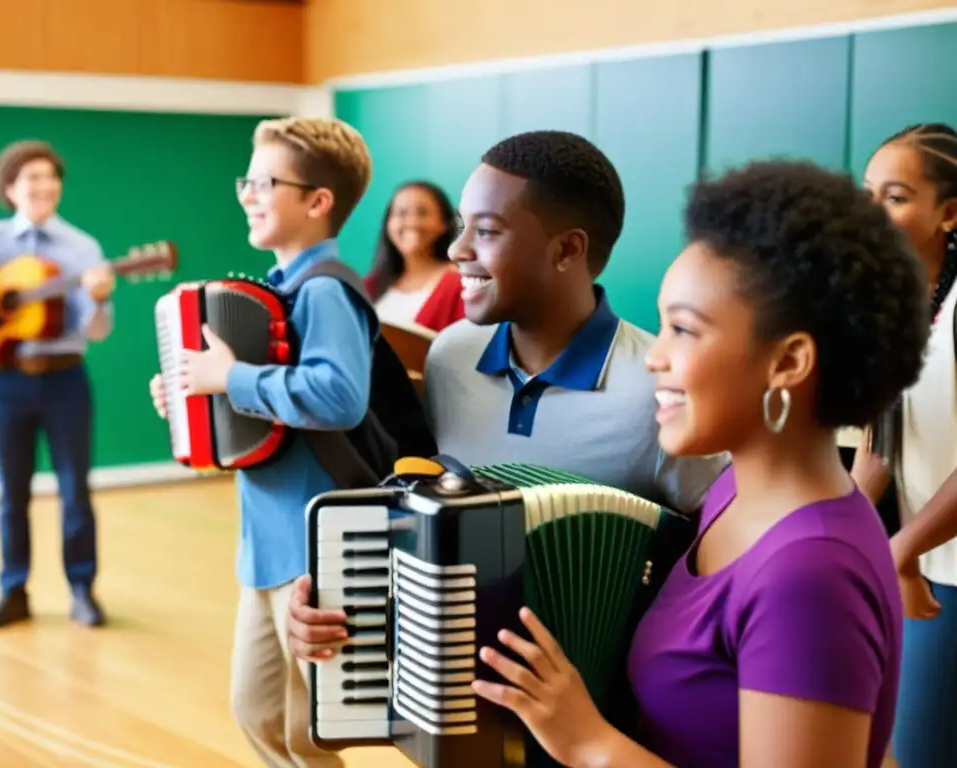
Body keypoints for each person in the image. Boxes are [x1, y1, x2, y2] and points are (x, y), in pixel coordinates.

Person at [468, 160, 926, 768]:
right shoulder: (735, 488)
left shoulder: (811, 571)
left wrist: (589, 745)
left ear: (788, 362)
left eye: (683, 329)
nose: (655, 357)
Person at [285, 131, 725, 663]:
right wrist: (338, 597)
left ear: (567, 249)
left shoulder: (660, 389)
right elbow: (424, 507)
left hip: (607, 703)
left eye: (487, 231)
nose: (456, 250)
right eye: (462, 226)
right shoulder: (450, 356)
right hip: (457, 685)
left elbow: (725, 549)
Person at [149, 116, 374, 768]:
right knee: (258, 713)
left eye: (264, 181)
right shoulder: (271, 290)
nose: (247, 192)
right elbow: (258, 420)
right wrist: (196, 394)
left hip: (313, 540)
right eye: (246, 179)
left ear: (317, 201)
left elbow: (338, 396)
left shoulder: (326, 289)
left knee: (309, 728)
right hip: (264, 541)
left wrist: (232, 377)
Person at [0, 139, 115, 630]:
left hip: (65, 381)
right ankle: (13, 590)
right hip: (2, 382)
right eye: (31, 178)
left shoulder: (83, 249)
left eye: (50, 177)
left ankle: (83, 589)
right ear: (10, 189)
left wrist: (98, 300)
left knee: (76, 489)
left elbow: (96, 331)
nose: (43, 186)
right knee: (10, 493)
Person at [851, 122, 957, 768]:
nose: (874, 213)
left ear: (950, 212)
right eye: (868, 195)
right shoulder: (893, 304)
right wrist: (835, 524)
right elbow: (880, 442)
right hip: (924, 563)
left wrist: (900, 549)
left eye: (895, 196)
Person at [362, 180, 464, 332]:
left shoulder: (459, 285)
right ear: (388, 223)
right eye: (401, 213)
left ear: (444, 224)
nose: (411, 222)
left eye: (422, 213)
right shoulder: (369, 285)